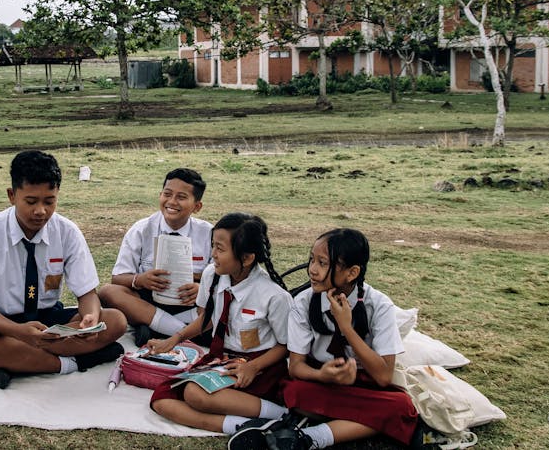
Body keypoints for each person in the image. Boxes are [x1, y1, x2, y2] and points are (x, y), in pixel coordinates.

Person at [228, 229, 418, 450]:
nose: (312, 270)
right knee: (293, 392)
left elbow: (384, 376)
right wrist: (322, 375)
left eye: (323, 263)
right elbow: (296, 366)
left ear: (351, 272)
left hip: (365, 384)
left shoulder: (378, 306)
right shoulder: (304, 302)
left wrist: (346, 328)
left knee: (402, 406)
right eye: (312, 259)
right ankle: (345, 425)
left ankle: (311, 437)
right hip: (319, 382)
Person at [0, 150, 128, 389]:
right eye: (31, 201)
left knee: (115, 321)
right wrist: (18, 332)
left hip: (48, 321)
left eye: (49, 201)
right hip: (1, 324)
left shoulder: (67, 232)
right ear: (12, 195)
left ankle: (9, 361)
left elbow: (87, 294)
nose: (41, 211)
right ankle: (71, 363)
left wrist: (91, 318)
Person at [147, 213, 293, 435]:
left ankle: (279, 414)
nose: (213, 254)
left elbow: (285, 347)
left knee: (194, 395)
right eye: (213, 246)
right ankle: (240, 425)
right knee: (161, 399)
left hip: (259, 367)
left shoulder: (274, 295)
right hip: (223, 359)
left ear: (247, 258)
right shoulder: (212, 275)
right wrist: (174, 340)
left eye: (220, 249)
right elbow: (207, 320)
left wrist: (252, 367)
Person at [98, 168, 212, 346]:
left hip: (191, 304)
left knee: (223, 301)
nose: (172, 202)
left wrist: (202, 288)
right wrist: (140, 280)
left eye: (181, 197)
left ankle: (156, 330)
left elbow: (224, 277)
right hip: (148, 305)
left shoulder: (209, 234)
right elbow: (118, 278)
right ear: (160, 195)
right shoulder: (141, 229)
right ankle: (186, 334)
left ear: (197, 206)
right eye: (167, 194)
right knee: (107, 291)